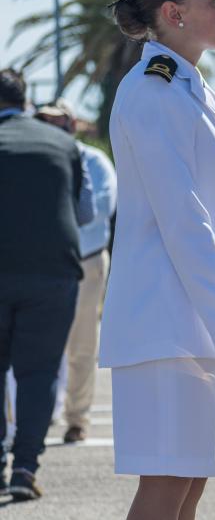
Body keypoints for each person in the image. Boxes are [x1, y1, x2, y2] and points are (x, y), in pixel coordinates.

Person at [99, 0, 215, 520]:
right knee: (167, 485)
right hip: (162, 323)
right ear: (172, 13)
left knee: (188, 485)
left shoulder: (192, 89)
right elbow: (186, 222)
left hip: (189, 322)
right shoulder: (152, 92)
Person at [0, 70, 93, 500]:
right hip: (53, 274)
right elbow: (85, 213)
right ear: (26, 101)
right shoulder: (65, 144)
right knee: (38, 374)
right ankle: (25, 468)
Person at [34, 103, 118, 443]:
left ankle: (77, 418)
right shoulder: (34, 159)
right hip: (44, 262)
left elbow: (99, 209)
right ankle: (38, 416)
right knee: (38, 345)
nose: (52, 127)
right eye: (44, 120)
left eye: (58, 120)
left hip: (86, 260)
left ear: (71, 124)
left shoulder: (94, 161)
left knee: (82, 344)